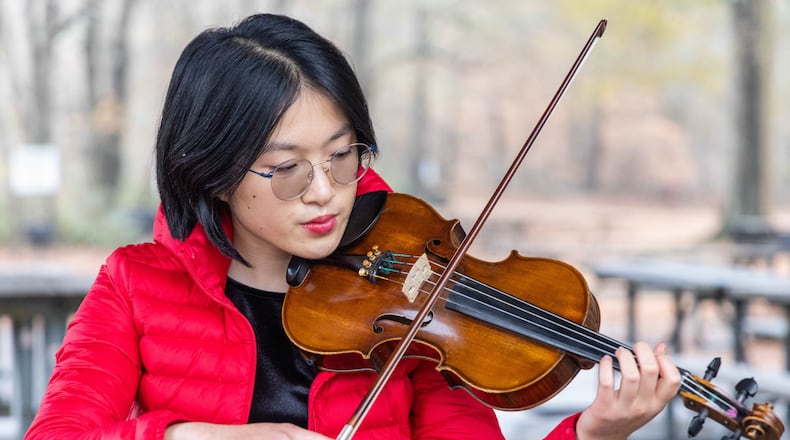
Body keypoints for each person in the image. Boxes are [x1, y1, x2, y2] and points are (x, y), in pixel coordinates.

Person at [25, 13, 680, 440]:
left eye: (342, 157)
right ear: (212, 171)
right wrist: (187, 435)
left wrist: (592, 433)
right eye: (286, 169)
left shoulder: (414, 302)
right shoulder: (135, 286)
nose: (326, 195)